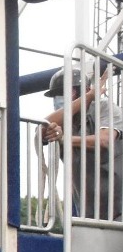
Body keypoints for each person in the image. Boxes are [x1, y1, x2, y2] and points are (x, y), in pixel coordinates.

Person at [40, 67, 123, 221]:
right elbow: (42, 128)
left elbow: (104, 140)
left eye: (65, 92)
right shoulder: (64, 121)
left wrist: (64, 139)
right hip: (88, 214)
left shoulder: (104, 108)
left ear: (81, 91)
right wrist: (88, 96)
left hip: (119, 208)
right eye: (56, 95)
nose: (59, 99)